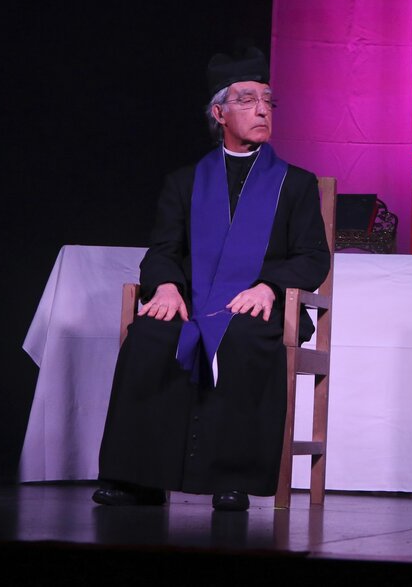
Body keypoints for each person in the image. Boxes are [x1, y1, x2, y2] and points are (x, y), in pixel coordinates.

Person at [93, 45, 330, 512]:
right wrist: (165, 285)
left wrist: (269, 287)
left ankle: (232, 478)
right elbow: (163, 250)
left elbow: (312, 256)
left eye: (267, 101)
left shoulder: (296, 184)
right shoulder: (184, 182)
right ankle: (139, 479)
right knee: (150, 336)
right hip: (193, 301)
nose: (262, 110)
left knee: (242, 338)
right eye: (247, 100)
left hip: (260, 307)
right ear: (219, 113)